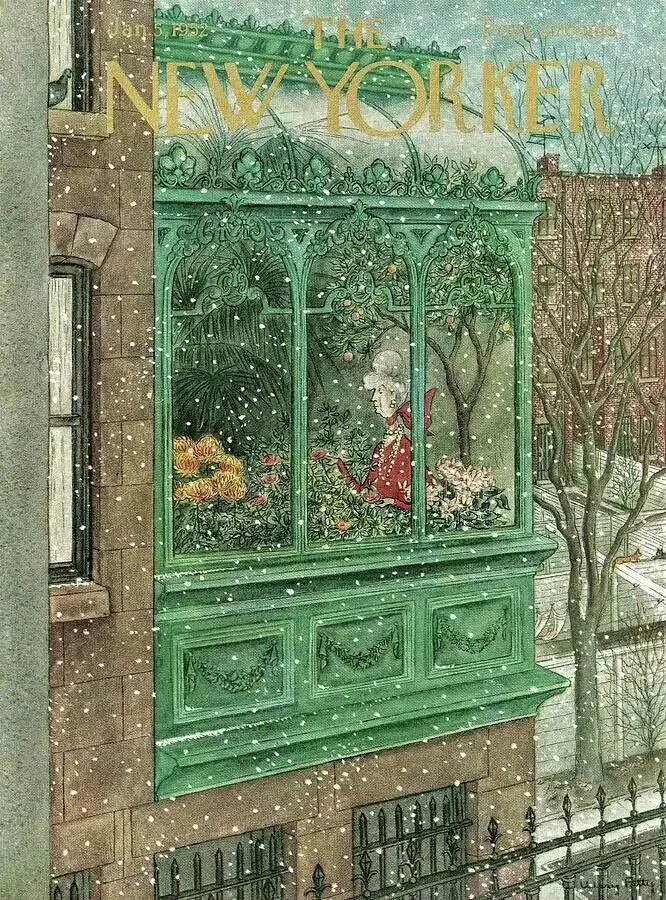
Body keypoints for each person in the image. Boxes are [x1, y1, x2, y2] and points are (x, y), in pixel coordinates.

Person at [337, 350, 436, 511]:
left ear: (394, 397)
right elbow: (366, 493)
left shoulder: (407, 449)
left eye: (380, 391)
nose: (373, 398)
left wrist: (394, 502)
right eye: (374, 391)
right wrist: (341, 467)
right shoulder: (381, 448)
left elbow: (426, 502)